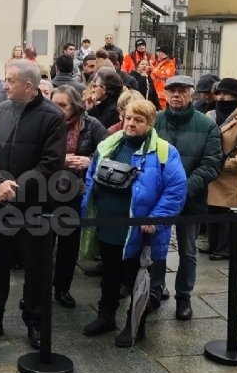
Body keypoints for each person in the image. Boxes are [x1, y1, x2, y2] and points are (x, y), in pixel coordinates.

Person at [0, 60, 67, 348]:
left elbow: (50, 163)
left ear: (29, 86)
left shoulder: (52, 117)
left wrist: (16, 188)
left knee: (36, 267)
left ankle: (36, 323)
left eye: (10, 80)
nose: (4, 84)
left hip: (36, 207)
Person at [80, 98, 187, 346]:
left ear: (150, 123)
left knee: (137, 278)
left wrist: (155, 219)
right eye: (128, 118)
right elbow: (91, 174)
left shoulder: (164, 151)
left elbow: (175, 190)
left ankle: (135, 324)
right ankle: (106, 316)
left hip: (139, 229)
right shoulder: (109, 144)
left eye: (138, 120)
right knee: (109, 274)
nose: (131, 123)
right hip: (108, 224)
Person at [151, 75, 221, 320]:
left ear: (192, 94)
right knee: (157, 247)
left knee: (188, 251)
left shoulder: (206, 125)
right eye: (171, 91)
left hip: (191, 198)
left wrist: (182, 190)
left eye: (181, 91)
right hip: (158, 199)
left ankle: (184, 296)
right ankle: (155, 290)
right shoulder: (155, 120)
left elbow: (211, 164)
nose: (176, 95)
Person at [50, 86, 109, 307]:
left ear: (75, 105)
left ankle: (62, 287)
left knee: (68, 243)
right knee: (43, 242)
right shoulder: (45, 123)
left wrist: (89, 161)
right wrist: (59, 161)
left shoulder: (90, 124)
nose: (57, 110)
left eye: (63, 105)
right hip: (46, 188)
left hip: (76, 190)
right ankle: (37, 289)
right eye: (54, 104)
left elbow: (108, 150)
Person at [204, 78, 237, 260]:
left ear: (235, 95)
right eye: (218, 93)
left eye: (225, 93)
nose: (221, 97)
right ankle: (213, 244)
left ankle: (224, 249)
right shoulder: (210, 115)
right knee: (212, 209)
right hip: (212, 170)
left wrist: (233, 164)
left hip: (229, 174)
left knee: (226, 211)